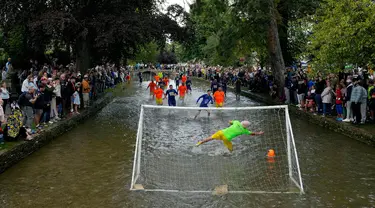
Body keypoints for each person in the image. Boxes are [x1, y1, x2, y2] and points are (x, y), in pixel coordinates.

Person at [195, 120, 264, 152]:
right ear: (246, 126)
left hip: (221, 132)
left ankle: (199, 143)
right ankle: (227, 154)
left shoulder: (236, 122)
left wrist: (231, 122)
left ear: (241, 122)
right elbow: (252, 134)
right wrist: (259, 133)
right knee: (231, 150)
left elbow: (230, 122)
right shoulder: (244, 130)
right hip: (227, 138)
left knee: (211, 138)